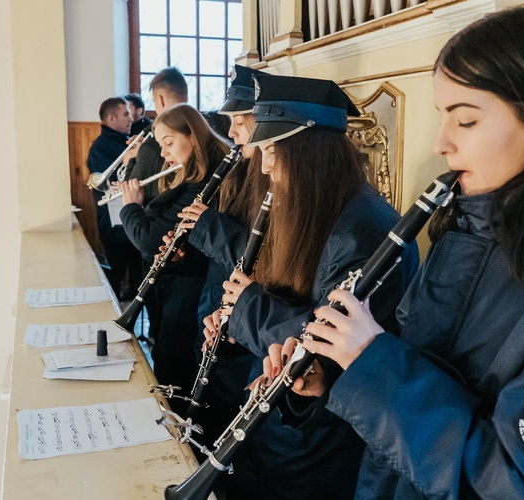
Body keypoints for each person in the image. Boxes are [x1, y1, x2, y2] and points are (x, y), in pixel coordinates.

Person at [264, 6, 524, 498]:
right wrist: (336, 372)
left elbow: (519, 484)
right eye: (442, 117)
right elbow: (423, 369)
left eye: (466, 120)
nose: (441, 143)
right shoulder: (461, 228)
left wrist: (373, 362)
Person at [204, 73, 419, 499]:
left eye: (270, 150)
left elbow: (335, 345)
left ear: (306, 152)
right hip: (284, 418)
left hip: (320, 441)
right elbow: (288, 302)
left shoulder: (363, 232)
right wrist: (230, 328)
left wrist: (247, 308)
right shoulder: (315, 207)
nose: (262, 165)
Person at [175, 64, 269, 440]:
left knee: (226, 406)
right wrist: (187, 249)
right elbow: (223, 254)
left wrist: (207, 226)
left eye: (238, 123)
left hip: (243, 327)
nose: (229, 133)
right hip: (217, 303)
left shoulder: (269, 176)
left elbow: (259, 257)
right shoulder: (240, 169)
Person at [119, 103, 230, 409]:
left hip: (193, 294)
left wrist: (130, 207)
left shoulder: (202, 183)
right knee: (168, 360)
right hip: (183, 285)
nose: (164, 154)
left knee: (174, 365)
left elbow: (148, 239)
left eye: (169, 143)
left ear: (193, 136)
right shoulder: (190, 178)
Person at [86, 96, 139, 299]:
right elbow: (110, 182)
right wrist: (132, 159)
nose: (131, 118)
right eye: (126, 114)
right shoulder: (100, 147)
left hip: (130, 219)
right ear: (111, 119)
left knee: (137, 275)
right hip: (113, 224)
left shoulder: (125, 141)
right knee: (116, 274)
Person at [125, 67, 189, 205]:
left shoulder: (151, 146)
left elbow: (130, 191)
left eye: (154, 102)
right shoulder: (200, 129)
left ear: (160, 99)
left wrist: (132, 159)